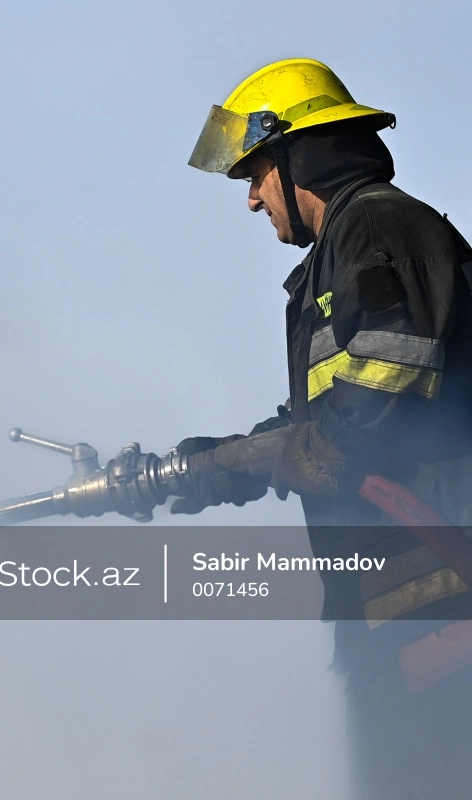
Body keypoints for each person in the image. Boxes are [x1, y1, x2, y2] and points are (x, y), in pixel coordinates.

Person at [178, 58, 472, 799]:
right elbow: (324, 417)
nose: (251, 200)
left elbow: (391, 366)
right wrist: (222, 463)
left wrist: (316, 447)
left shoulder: (377, 224)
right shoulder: (338, 257)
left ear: (294, 154)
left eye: (255, 175)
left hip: (438, 590)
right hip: (397, 599)